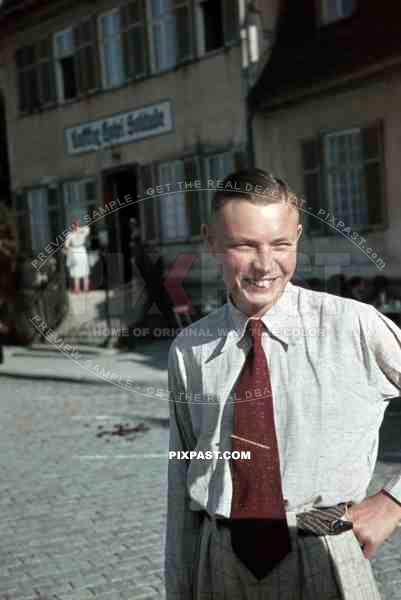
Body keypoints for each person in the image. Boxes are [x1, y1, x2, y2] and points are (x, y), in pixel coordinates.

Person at [165, 168, 401, 599]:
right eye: (243, 245)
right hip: (220, 564)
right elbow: (181, 479)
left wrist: (393, 501)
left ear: (297, 235)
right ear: (211, 241)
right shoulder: (190, 349)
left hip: (326, 555)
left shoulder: (354, 327)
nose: (264, 264)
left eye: (280, 244)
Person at [64, 220, 90, 294]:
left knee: (77, 272)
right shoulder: (82, 233)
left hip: (76, 251)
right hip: (81, 251)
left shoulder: (70, 234)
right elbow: (87, 229)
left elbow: (66, 245)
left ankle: (77, 289)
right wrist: (80, 230)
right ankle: (85, 289)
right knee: (83, 271)